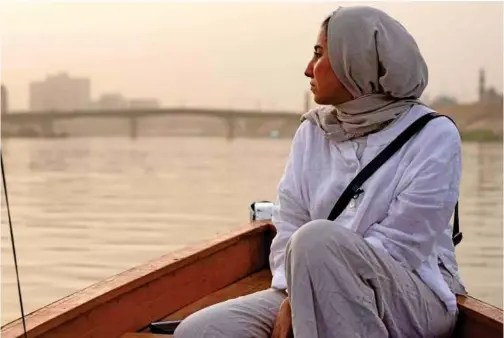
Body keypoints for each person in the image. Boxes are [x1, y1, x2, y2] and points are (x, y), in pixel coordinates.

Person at [174, 6, 466, 338]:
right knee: (200, 331)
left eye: (318, 54)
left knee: (316, 241)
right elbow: (289, 224)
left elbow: (402, 248)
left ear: (354, 61)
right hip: (304, 285)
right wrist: (297, 294)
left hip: (411, 296)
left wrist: (306, 294)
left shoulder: (433, 135)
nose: (307, 69)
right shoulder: (313, 131)